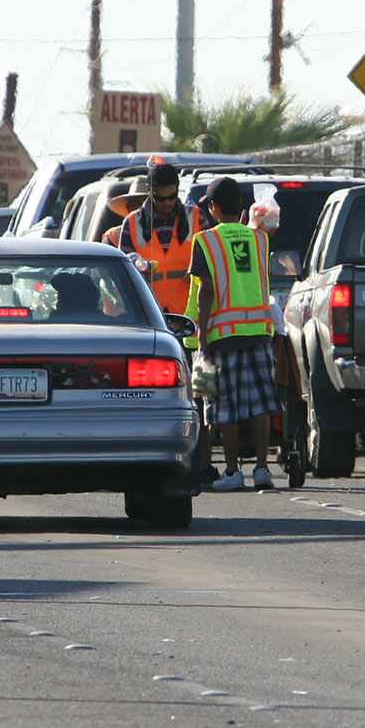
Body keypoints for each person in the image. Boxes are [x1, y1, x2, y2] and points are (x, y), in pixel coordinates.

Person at [184, 176, 280, 492]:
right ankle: (263, 470)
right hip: (259, 331)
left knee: (225, 407)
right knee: (260, 403)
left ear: (212, 207)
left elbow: (206, 290)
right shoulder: (260, 240)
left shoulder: (206, 240)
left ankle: (232, 471)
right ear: (240, 206)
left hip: (222, 335)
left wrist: (202, 335)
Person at [117, 163, 207, 317]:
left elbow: (211, 265)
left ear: (178, 188)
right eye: (160, 198)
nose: (167, 203)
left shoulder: (197, 218)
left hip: (189, 313)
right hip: (149, 313)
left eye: (171, 196)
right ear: (149, 189)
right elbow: (122, 273)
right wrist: (140, 270)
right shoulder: (132, 223)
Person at [100, 177, 151, 250]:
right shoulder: (114, 236)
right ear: (129, 208)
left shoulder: (168, 232)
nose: (142, 210)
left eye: (148, 205)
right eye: (135, 205)